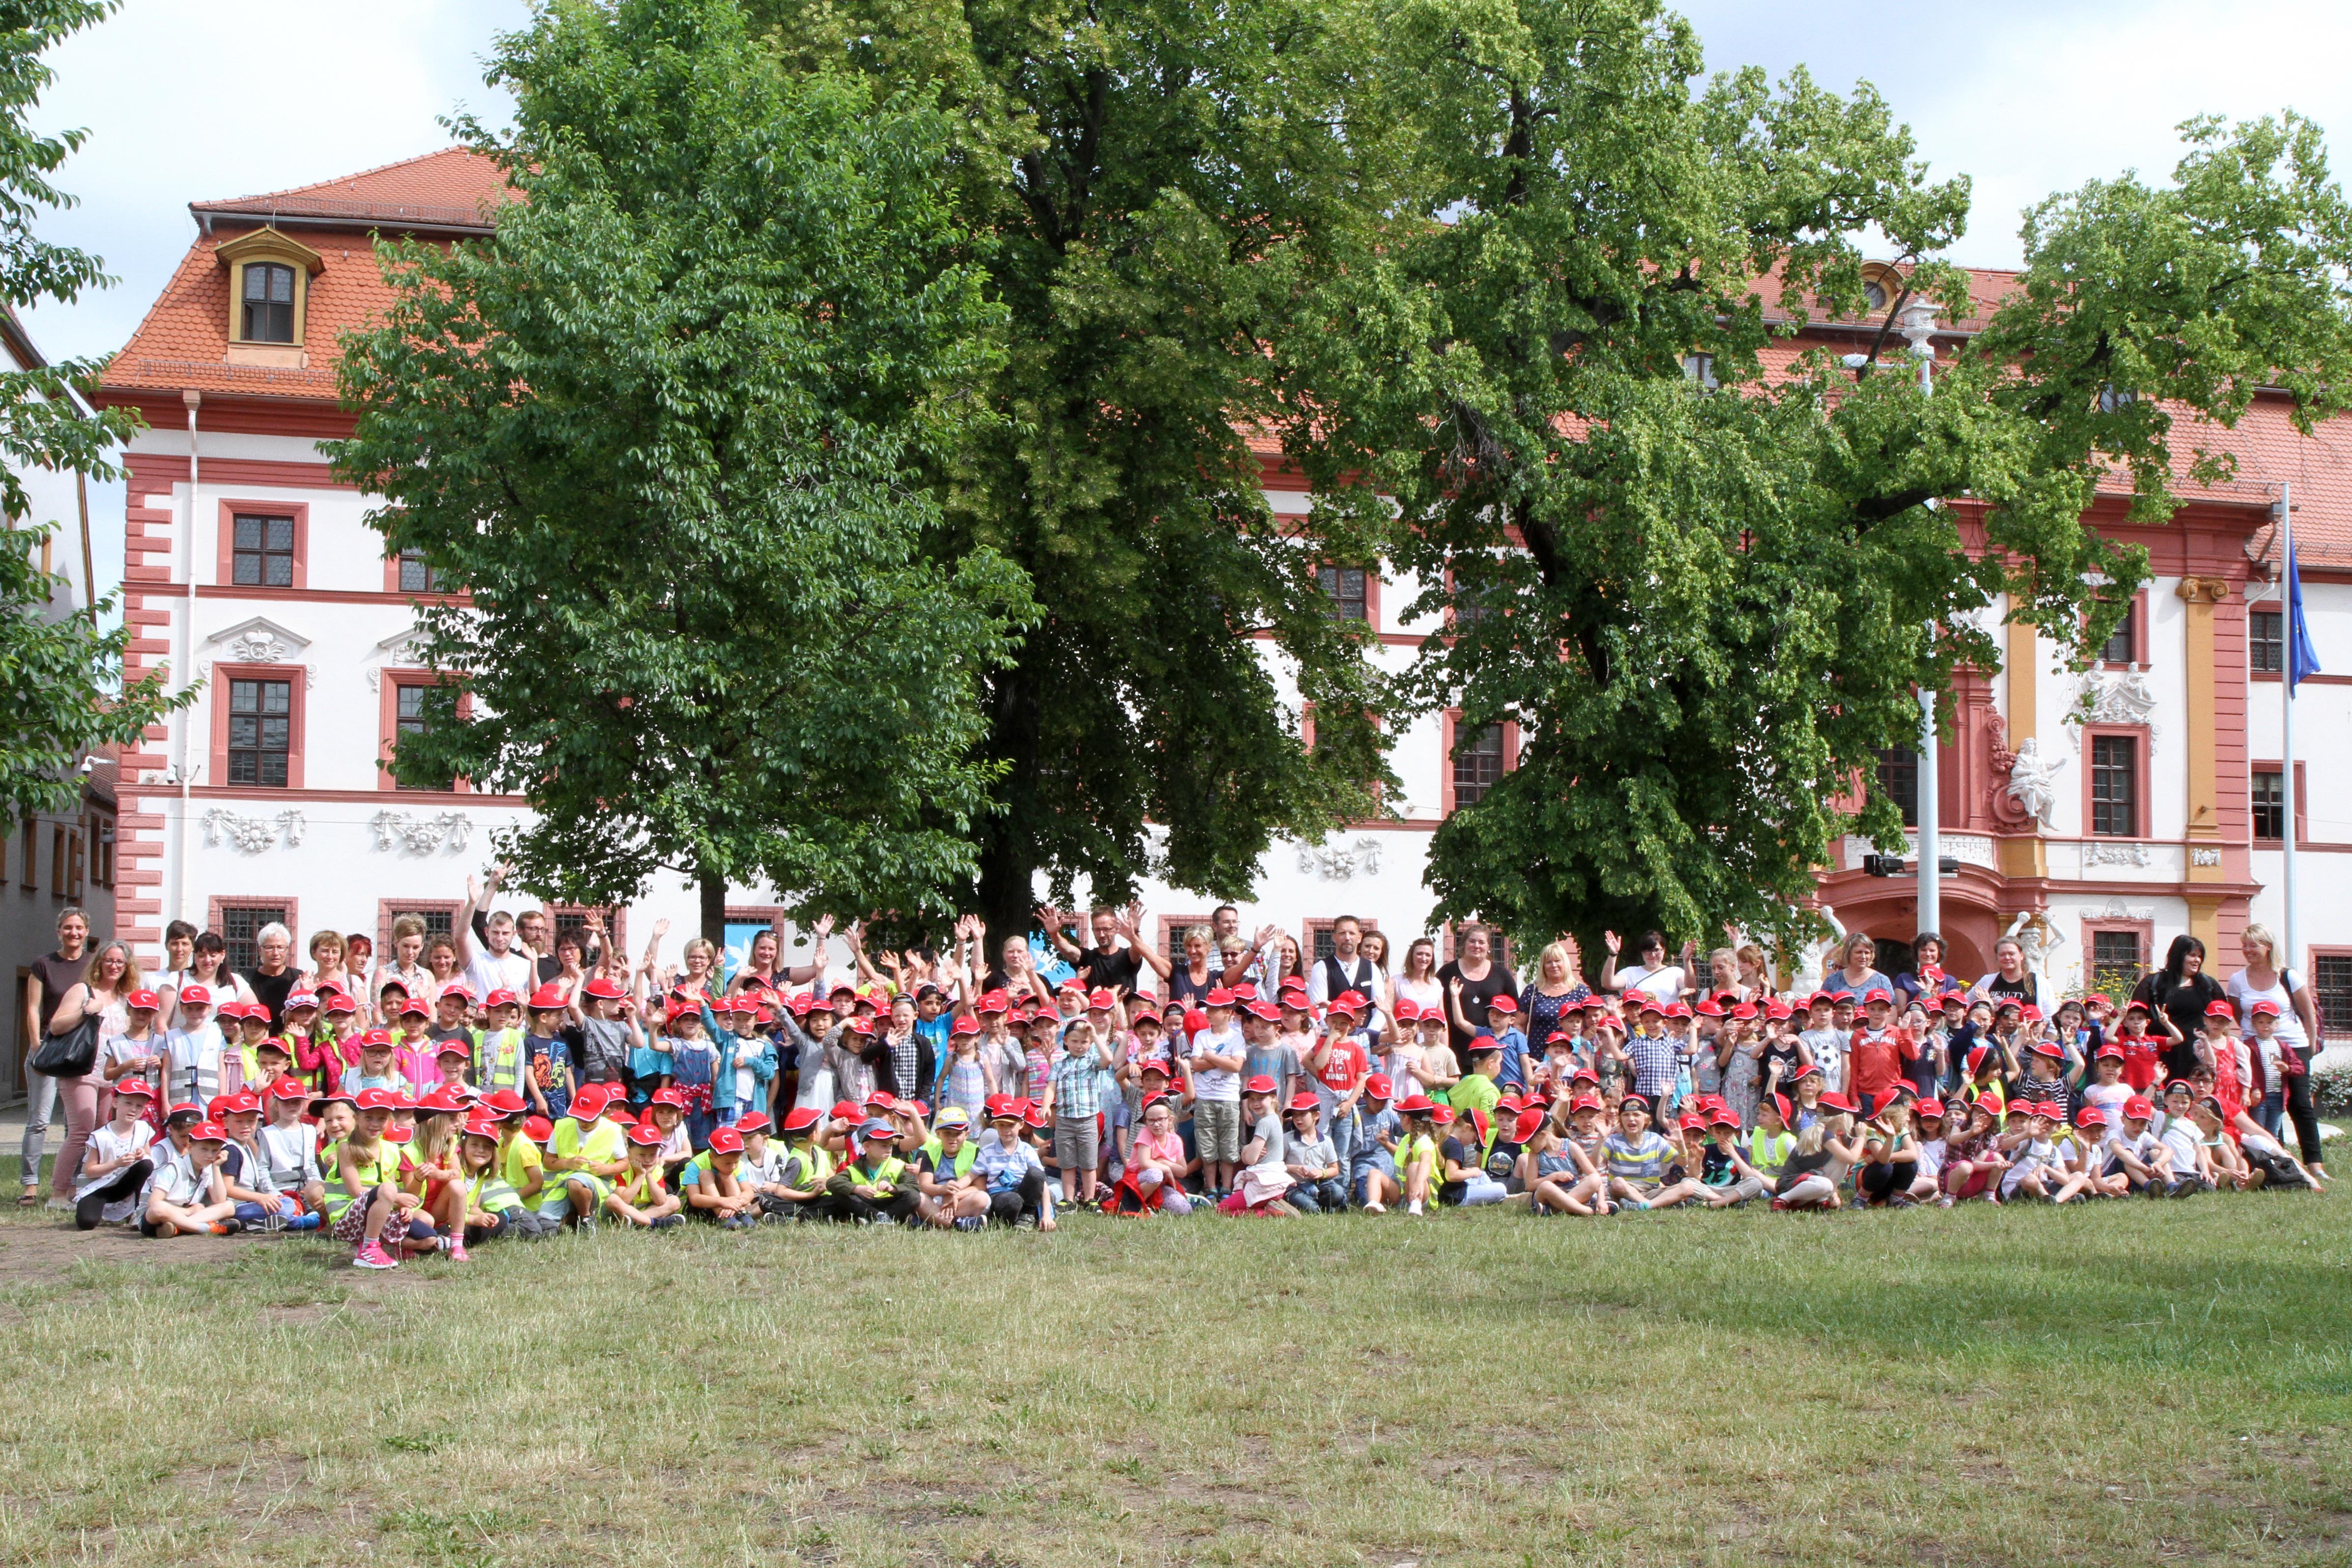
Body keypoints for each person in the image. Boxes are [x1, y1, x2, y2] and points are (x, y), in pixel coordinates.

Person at [2226, 922, 2325, 1178]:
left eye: (2253, 945)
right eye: (2244, 945)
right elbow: (2239, 1015)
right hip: (2256, 1049)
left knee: (2300, 1104)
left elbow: (2307, 1012)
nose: (2248, 950)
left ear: (2268, 947)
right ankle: (2278, 1162)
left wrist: (2312, 1043)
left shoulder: (2287, 975)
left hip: (2292, 1045)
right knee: (2267, 1102)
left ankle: (2315, 1164)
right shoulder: (2238, 980)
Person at [20, 907, 92, 1208]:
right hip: (49, 1051)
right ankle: (30, 1185)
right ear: (59, 932)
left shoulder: (92, 965)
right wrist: (37, 1047)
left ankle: (71, 1184)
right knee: (39, 1120)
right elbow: (34, 1008)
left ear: (86, 932)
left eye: (78, 928)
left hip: (78, 1053)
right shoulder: (43, 964)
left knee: (73, 1125)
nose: (73, 933)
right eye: (67, 928)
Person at [73, 1078, 157, 1230]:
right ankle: (97, 1208)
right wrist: (116, 1163)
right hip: (99, 1187)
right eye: (128, 1103)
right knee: (87, 1222)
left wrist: (141, 1154)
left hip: (126, 1186)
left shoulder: (143, 1128)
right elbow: (89, 1171)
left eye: (139, 1106)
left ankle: (138, 1213)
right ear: (115, 1103)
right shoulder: (101, 1137)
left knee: (146, 1164)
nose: (133, 1109)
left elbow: (149, 1159)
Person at [1436, 923, 1519, 1065]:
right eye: (1472, 941)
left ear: (1488, 948)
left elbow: (1516, 1012)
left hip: (1491, 1051)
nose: (1477, 946)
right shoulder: (1448, 972)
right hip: (1455, 1048)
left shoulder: (1502, 974)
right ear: (1463, 945)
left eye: (1482, 942)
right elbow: (1436, 1005)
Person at [1967, 936, 2053, 1014]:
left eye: (2012, 954)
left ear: (2021, 956)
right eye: (2002, 955)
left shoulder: (2039, 982)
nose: (2007, 958)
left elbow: (2050, 1016)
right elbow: (1966, 1003)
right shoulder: (1987, 981)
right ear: (1997, 957)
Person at [1598, 929, 1686, 1005]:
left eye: (1656, 950)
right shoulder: (1631, 973)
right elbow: (1608, 984)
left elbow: (1690, 987)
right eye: (1648, 951)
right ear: (1642, 953)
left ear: (1664, 950)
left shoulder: (1675, 972)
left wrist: (1687, 960)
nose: (1653, 955)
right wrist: (1613, 954)